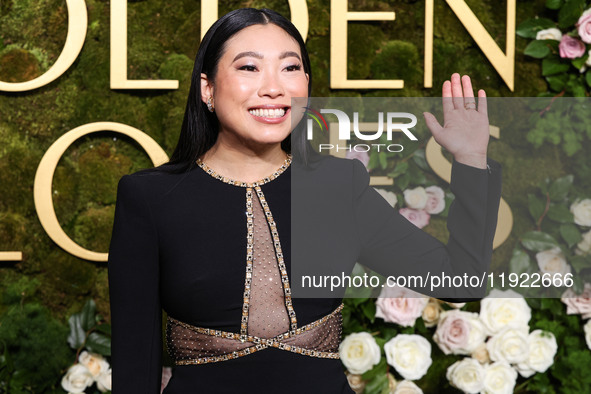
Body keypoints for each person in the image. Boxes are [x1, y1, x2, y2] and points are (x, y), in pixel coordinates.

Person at [107, 7, 501, 394]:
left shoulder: (339, 185)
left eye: (290, 68)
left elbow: (461, 279)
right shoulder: (149, 197)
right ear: (207, 88)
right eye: (249, 68)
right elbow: (135, 362)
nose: (274, 87)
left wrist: (470, 161)